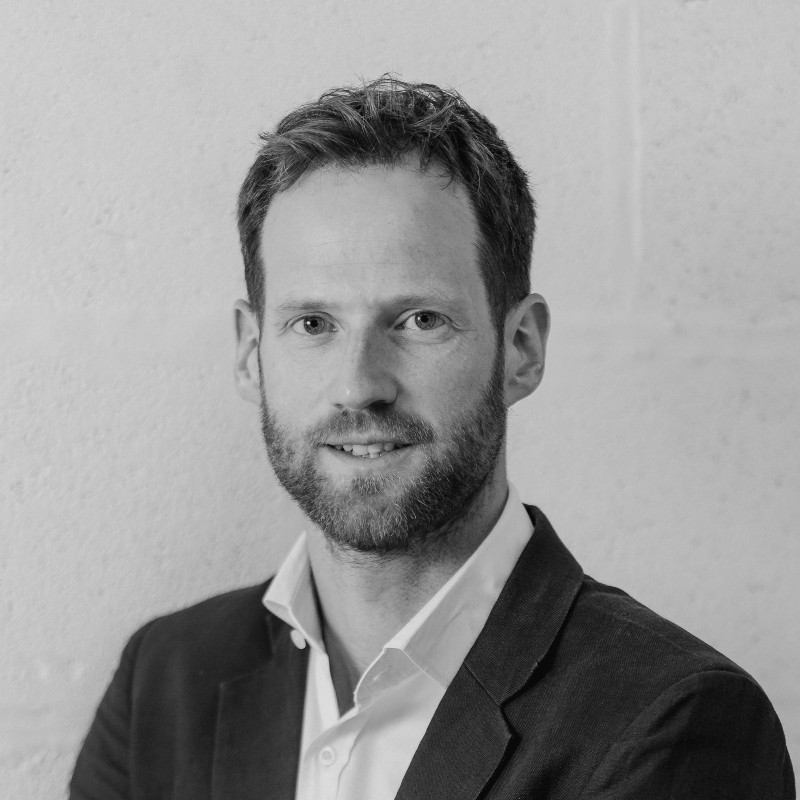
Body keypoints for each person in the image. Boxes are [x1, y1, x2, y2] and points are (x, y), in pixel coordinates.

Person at [69, 77, 795, 800]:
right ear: (251, 354)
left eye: (419, 320)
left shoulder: (675, 721)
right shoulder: (162, 681)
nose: (359, 385)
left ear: (521, 348)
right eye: (313, 324)